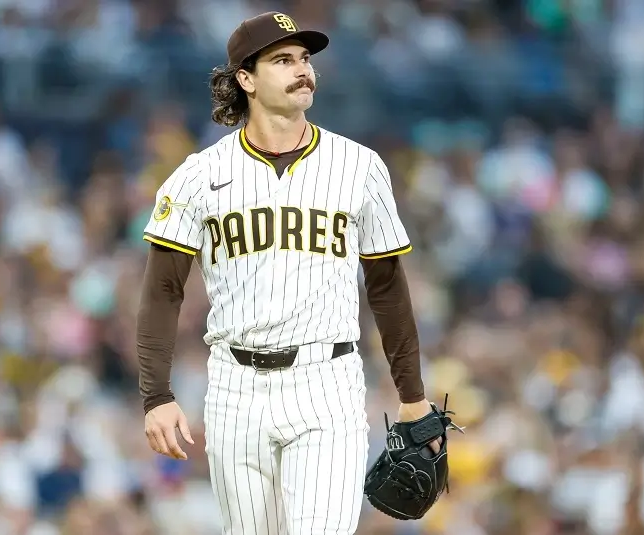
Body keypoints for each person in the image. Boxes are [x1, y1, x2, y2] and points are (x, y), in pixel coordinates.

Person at [136, 11, 441, 534]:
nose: (303, 70)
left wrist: (412, 396)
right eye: (283, 60)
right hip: (235, 386)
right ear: (246, 80)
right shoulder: (199, 175)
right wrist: (156, 395)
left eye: (305, 58)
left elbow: (387, 286)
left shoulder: (359, 166)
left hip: (328, 381)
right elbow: (164, 291)